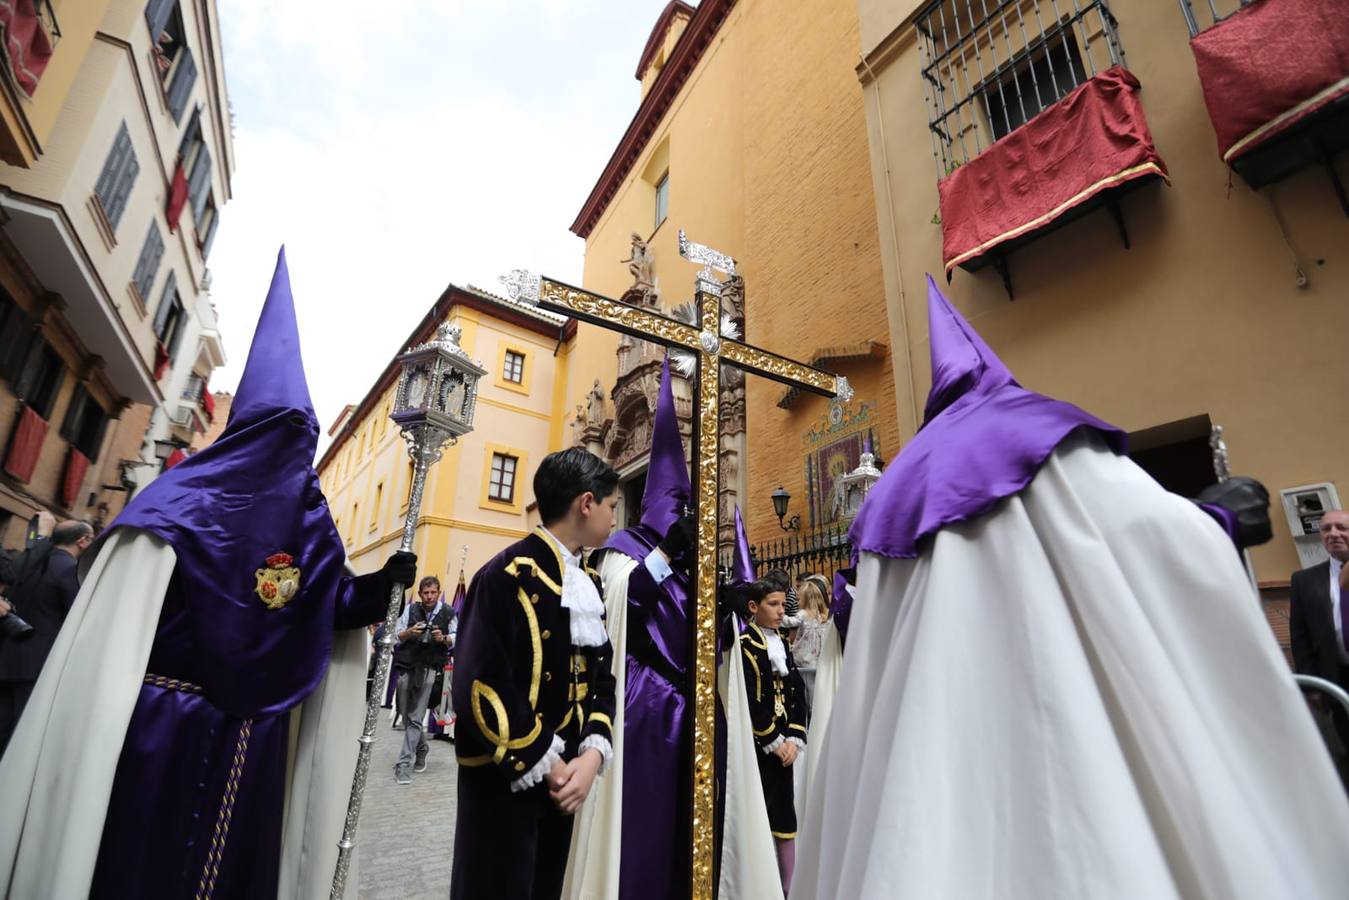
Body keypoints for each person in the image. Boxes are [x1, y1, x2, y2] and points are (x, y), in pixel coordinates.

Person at [793, 275, 1349, 899]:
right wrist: (1218, 517)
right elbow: (1142, 531)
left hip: (931, 731)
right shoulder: (1038, 433)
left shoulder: (894, 489)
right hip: (1061, 688)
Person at [0, 248, 417, 900]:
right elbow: (117, 633)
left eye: (300, 438)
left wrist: (381, 586)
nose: (291, 453)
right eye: (280, 434)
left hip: (255, 741)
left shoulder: (308, 519)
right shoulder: (174, 505)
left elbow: (325, 605)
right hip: (163, 724)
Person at [450, 447, 618, 900]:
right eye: (611, 507)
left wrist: (592, 757)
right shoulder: (505, 576)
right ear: (586, 503)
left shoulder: (588, 583)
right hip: (506, 783)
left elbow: (603, 677)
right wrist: (552, 764)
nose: (614, 518)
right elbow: (479, 686)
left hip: (565, 785)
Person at [0, 520, 93, 754]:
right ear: (82, 541)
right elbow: (77, 617)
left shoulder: (30, 562)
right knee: (17, 731)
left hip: (7, 649)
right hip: (38, 662)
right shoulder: (73, 571)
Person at [741, 577, 807, 895]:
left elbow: (796, 694)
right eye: (774, 604)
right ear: (754, 607)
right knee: (762, 811)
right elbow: (752, 703)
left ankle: (789, 887)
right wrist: (775, 741)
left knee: (785, 814)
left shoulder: (781, 642)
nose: (782, 612)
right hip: (761, 747)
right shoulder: (747, 647)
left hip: (785, 746)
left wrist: (794, 737)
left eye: (783, 604)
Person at [1289, 509, 1349, 756]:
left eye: (1341, 528)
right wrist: (1312, 684)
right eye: (1326, 529)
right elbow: (1300, 636)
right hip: (1338, 676)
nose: (1333, 534)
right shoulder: (1305, 580)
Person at [392, 575, 454, 783]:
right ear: (420, 594)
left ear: (438, 593)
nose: (429, 596)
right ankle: (421, 747)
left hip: (430, 668)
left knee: (416, 716)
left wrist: (443, 638)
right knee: (405, 712)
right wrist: (409, 632)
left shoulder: (448, 612)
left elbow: (456, 637)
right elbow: (395, 634)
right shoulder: (410, 610)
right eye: (425, 593)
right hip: (408, 664)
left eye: (433, 592)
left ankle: (402, 764)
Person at [789, 574, 831, 706]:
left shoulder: (827, 617)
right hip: (806, 661)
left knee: (816, 694)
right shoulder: (805, 615)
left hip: (819, 661)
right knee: (808, 693)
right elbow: (793, 624)